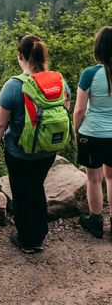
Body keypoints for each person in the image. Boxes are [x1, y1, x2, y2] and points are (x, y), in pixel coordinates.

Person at [0, 35, 70, 254]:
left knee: (21, 192)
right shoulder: (59, 82)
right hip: (47, 151)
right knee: (36, 187)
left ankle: (26, 238)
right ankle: (40, 233)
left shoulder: (14, 86)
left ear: (21, 57)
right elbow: (65, 108)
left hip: (19, 152)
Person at [74, 26, 112, 239]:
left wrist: (76, 130)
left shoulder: (89, 74)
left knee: (94, 179)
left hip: (93, 134)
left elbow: (79, 109)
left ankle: (96, 222)